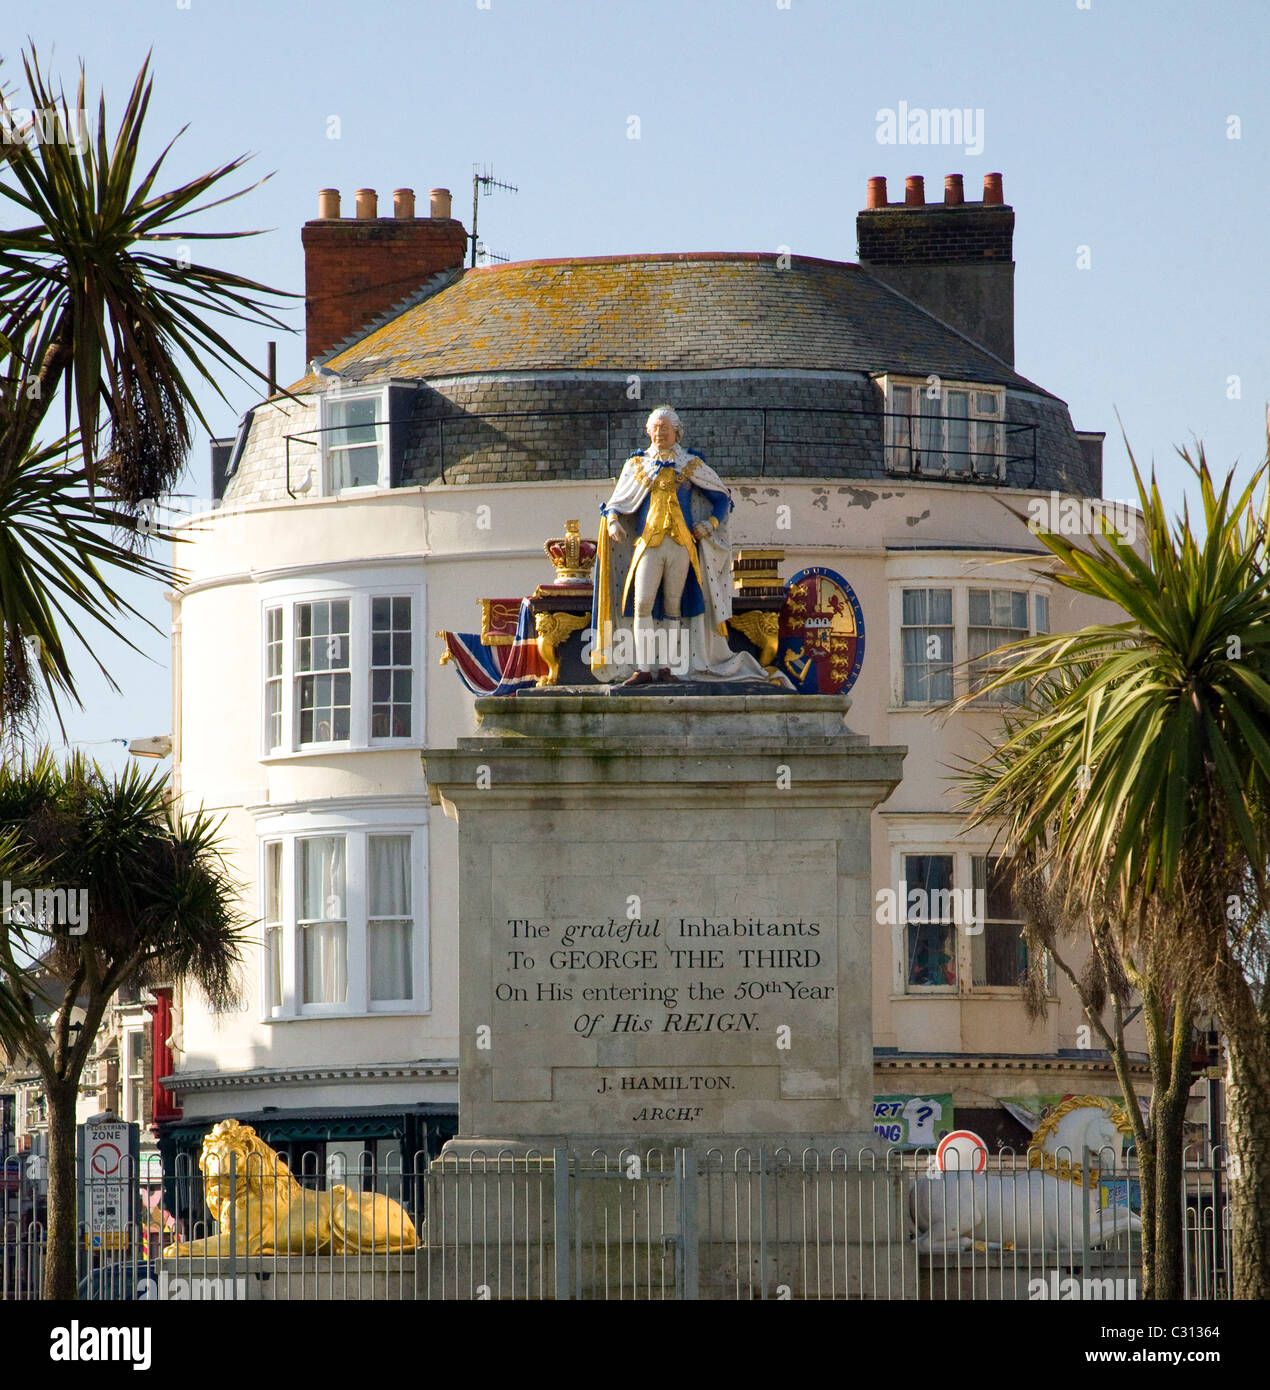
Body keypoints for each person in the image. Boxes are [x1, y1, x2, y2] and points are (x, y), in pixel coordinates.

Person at [590, 406, 780, 685]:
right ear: (648, 432)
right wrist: (613, 521)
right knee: (642, 603)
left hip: (681, 545)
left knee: (673, 605)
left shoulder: (691, 463)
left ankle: (666, 667)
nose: (659, 433)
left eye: (664, 429)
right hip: (649, 544)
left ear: (676, 431)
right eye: (655, 429)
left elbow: (722, 498)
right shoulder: (636, 465)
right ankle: (643, 668)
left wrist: (711, 524)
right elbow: (618, 501)